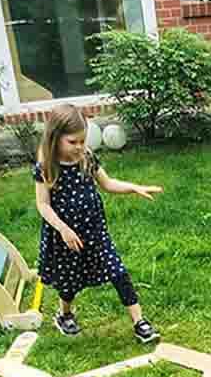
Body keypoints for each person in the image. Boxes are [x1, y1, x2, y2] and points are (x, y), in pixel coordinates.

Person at [33, 105, 162, 343]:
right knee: (69, 282)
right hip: (65, 237)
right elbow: (43, 205)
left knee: (119, 273)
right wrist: (63, 229)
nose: (80, 147)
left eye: (82, 140)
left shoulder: (87, 158)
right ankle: (65, 314)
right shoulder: (47, 167)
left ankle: (139, 322)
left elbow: (108, 183)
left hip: (95, 231)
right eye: (73, 142)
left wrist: (134, 187)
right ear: (55, 138)